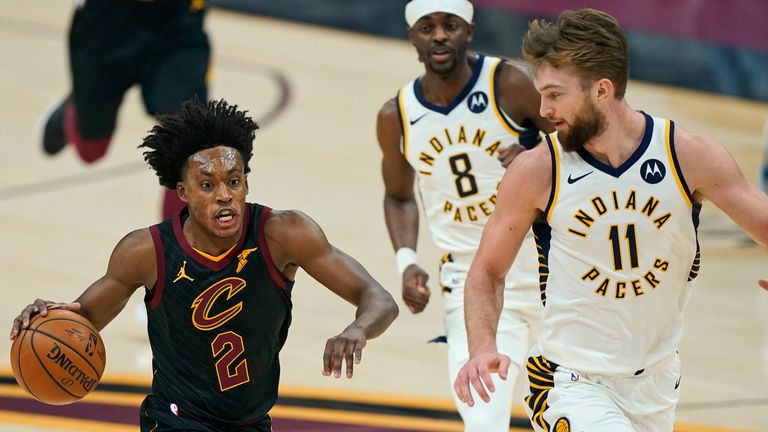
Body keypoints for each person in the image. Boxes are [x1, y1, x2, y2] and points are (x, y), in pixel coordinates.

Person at [453, 8, 768, 432]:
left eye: (555, 94)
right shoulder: (538, 170)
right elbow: (487, 272)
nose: (543, 109)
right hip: (569, 380)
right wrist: (482, 345)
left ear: (601, 90)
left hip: (657, 382)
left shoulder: (687, 156)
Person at [13, 98, 399, 431]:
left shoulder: (285, 233)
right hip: (175, 419)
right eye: (208, 185)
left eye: (234, 181)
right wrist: (44, 317)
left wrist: (359, 329)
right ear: (182, 192)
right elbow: (80, 324)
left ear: (247, 181)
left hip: (250, 421)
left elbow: (379, 299)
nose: (225, 196)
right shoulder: (146, 251)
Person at [376, 1, 552, 430]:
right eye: (427, 27)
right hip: (470, 279)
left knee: (563, 414)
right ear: (412, 37)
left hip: (548, 268)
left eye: (449, 25)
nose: (439, 35)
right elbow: (398, 196)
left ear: (468, 31)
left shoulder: (507, 83)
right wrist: (407, 260)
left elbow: (575, 142)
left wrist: (536, 154)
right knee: (483, 419)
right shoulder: (396, 115)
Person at [41, 0, 210, 219]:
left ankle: (179, 247)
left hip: (176, 18)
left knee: (191, 137)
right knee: (91, 150)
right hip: (107, 20)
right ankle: (69, 114)